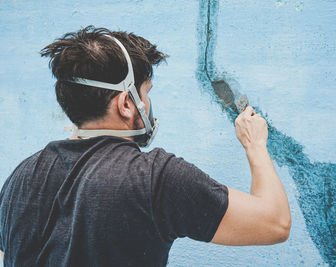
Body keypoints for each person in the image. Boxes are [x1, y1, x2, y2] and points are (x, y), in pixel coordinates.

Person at [0, 26, 291, 266]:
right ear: (126, 103)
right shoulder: (155, 178)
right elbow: (275, 223)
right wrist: (255, 146)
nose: (148, 105)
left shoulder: (19, 178)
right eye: (145, 93)